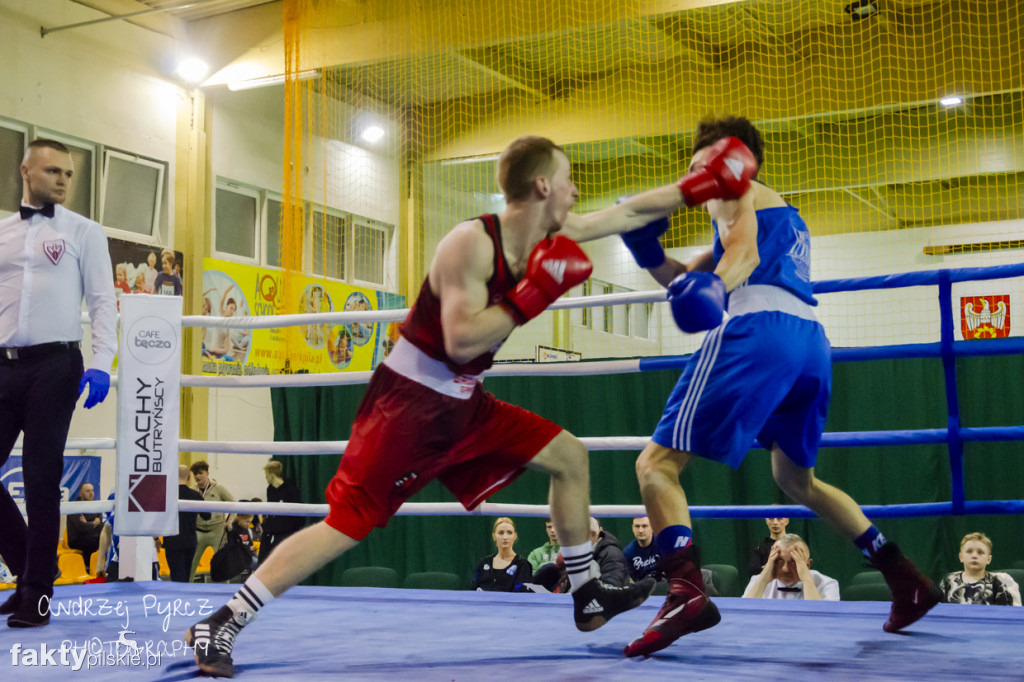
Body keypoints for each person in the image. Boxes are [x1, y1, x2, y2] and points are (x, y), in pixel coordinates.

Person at [185, 135, 660, 677]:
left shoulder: (549, 236)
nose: (577, 192)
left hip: (464, 404)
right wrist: (534, 292)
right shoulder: (471, 244)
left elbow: (627, 211)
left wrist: (710, 183)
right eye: (569, 179)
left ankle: (588, 595)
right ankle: (224, 618)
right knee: (347, 524)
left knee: (571, 457)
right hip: (409, 407)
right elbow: (461, 341)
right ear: (543, 185)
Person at [601, 116, 940, 657]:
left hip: (758, 331)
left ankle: (686, 589)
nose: (695, 174)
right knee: (796, 480)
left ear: (733, 158)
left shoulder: (731, 187)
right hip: (808, 342)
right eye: (693, 164)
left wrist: (717, 287)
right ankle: (906, 578)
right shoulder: (770, 207)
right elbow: (685, 278)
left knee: (654, 465)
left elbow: (744, 261)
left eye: (704, 160)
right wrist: (645, 251)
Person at [0, 139, 116, 628]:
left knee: (42, 476)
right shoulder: (3, 231)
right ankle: (29, 565)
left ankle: (37, 594)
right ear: (27, 171)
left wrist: (102, 361)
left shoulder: (85, 232)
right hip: (4, 364)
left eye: (69, 173)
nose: (64, 180)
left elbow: (104, 300)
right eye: (53, 171)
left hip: (57, 364)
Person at [742, 534, 839, 600]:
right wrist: (763, 580)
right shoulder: (757, 581)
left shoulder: (828, 584)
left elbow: (822, 620)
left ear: (808, 565)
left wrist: (807, 580)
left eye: (793, 562)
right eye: (779, 561)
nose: (785, 569)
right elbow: (743, 614)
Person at [939, 532, 1021, 606]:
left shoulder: (997, 583)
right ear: (961, 557)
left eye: (980, 552)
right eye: (969, 551)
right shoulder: (948, 580)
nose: (974, 556)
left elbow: (1004, 615)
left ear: (989, 559)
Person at [162, 465, 211, 583]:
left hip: (172, 540)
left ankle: (178, 599)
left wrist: (155, 538)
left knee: (176, 576)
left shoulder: (166, 494)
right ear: (189, 477)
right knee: (187, 575)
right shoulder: (195, 495)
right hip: (190, 540)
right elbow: (207, 516)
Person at [189, 460, 236, 582]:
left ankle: (224, 588)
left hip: (217, 531)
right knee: (191, 563)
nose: (197, 476)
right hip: (198, 532)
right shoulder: (192, 490)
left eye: (200, 473)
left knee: (221, 562)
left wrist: (230, 521)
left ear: (207, 473)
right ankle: (186, 587)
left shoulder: (219, 489)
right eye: (195, 474)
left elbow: (234, 505)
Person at [259, 461, 303, 566]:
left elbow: (297, 516)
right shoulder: (270, 490)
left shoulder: (291, 489)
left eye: (266, 475)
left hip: (286, 533)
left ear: (272, 475)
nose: (265, 478)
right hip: (271, 532)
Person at [472, 517, 533, 592]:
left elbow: (523, 595)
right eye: (501, 533)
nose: (505, 537)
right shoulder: (483, 563)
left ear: (515, 536)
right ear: (494, 536)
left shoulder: (522, 565)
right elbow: (473, 590)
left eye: (509, 532)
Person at [65, 483, 103, 568]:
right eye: (87, 491)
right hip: (76, 539)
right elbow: (82, 527)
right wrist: (94, 523)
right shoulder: (74, 507)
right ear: (80, 493)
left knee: (103, 537)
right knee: (92, 541)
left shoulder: (96, 505)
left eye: (92, 490)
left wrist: (88, 523)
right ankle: (89, 566)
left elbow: (100, 522)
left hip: (92, 536)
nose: (91, 493)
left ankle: (102, 566)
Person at [623, 516, 660, 583]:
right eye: (637, 526)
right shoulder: (628, 552)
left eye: (644, 526)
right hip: (642, 589)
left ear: (652, 527)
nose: (640, 530)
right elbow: (632, 581)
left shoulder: (662, 544)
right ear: (632, 529)